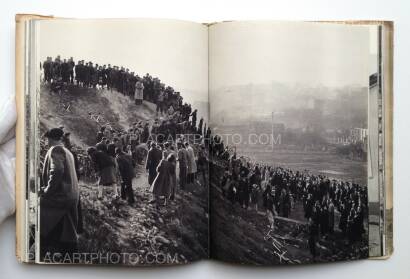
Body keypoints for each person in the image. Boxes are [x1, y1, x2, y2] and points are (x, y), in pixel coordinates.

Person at [39, 128, 79, 261]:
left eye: (47, 139)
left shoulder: (55, 149)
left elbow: (57, 171)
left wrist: (47, 190)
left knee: (39, 214)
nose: (46, 142)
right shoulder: (68, 152)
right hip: (71, 197)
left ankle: (41, 249)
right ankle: (68, 254)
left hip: (60, 197)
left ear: (50, 139)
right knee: (67, 230)